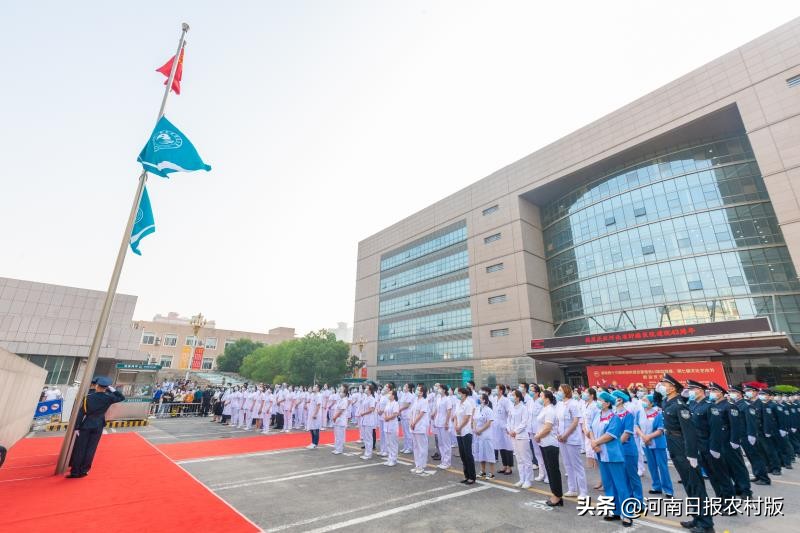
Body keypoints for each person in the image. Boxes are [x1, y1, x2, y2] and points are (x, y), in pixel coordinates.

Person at [657, 374, 713, 533]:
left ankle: (706, 524)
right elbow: (657, 399)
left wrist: (692, 454)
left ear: (673, 387)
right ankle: (697, 518)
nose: (661, 386)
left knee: (696, 486)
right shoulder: (667, 402)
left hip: (683, 446)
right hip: (673, 444)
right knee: (688, 485)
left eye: (664, 384)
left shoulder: (680, 405)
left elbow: (689, 432)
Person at [686, 380, 735, 502]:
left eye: (692, 389)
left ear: (700, 390)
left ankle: (729, 503)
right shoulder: (692, 405)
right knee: (712, 476)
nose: (690, 392)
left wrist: (714, 448)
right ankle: (720, 499)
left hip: (710, 446)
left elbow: (716, 429)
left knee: (721, 476)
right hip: (700, 446)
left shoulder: (710, 406)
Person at [66, 376, 125, 478]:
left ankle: (75, 472)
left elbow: (81, 413)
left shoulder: (88, 398)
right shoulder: (109, 398)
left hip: (87, 424)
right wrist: (113, 389)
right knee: (91, 449)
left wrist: (76, 427)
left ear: (97, 386)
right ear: (106, 387)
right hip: (99, 425)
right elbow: (122, 397)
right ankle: (84, 471)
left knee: (80, 448)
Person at [589, 391, 633, 527]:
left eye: (601, 400)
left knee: (620, 485)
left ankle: (627, 514)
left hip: (613, 455)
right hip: (601, 454)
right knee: (608, 484)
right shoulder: (597, 415)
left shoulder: (615, 418)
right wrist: (593, 442)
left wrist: (595, 443)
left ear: (608, 403)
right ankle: (614, 511)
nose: (598, 402)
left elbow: (610, 435)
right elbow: (590, 429)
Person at [636, 393, 673, 498]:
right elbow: (636, 426)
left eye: (645, 400)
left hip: (658, 444)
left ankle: (668, 489)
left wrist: (648, 437)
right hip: (645, 443)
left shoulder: (658, 413)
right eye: (642, 400)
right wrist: (643, 436)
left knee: (662, 467)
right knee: (652, 466)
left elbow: (660, 430)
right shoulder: (639, 413)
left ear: (652, 403)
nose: (643, 402)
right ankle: (656, 486)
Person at [612, 390, 643, 508]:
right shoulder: (613, 414)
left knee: (632, 477)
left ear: (620, 400)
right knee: (623, 477)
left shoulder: (628, 415)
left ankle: (639, 502)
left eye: (615, 398)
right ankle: (629, 500)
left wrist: (613, 445)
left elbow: (626, 435)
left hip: (627, 450)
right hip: (617, 450)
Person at [556, 384, 587, 498]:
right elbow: (558, 421)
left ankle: (583, 491)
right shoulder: (559, 404)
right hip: (561, 438)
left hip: (572, 438)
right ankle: (572, 489)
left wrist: (565, 435)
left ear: (566, 391)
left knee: (577, 465)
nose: (558, 392)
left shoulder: (573, 404)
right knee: (567, 464)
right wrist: (559, 434)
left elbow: (575, 422)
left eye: (560, 390)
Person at [534, 390, 563, 507]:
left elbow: (548, 428)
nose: (540, 398)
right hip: (544, 443)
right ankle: (555, 493)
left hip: (550, 443)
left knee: (553, 470)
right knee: (549, 470)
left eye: (541, 396)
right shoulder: (545, 409)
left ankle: (558, 496)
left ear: (547, 398)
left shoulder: (550, 410)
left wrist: (538, 436)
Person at [507, 389, 532, 488]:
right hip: (513, 436)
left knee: (526, 459)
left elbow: (524, 422)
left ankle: (528, 480)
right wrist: (509, 430)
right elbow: (508, 420)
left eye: (513, 395)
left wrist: (515, 431)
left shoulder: (523, 408)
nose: (511, 397)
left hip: (521, 436)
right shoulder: (512, 407)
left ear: (518, 397)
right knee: (519, 459)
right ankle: (522, 479)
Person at [453, 386, 476, 484]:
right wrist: (456, 426)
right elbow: (455, 416)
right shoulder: (458, 403)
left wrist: (460, 427)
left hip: (466, 431)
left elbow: (466, 418)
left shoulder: (468, 404)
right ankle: (466, 475)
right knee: (462, 454)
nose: (458, 395)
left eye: (459, 393)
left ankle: (472, 476)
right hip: (458, 432)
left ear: (464, 394)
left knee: (468, 454)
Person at [493, 384, 515, 476]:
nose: (495, 390)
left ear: (501, 391)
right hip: (497, 426)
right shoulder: (494, 399)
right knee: (501, 445)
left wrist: (508, 426)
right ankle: (504, 465)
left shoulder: (506, 401)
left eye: (496, 389)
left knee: (508, 447)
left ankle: (509, 467)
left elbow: (510, 413)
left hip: (505, 426)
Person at [410, 384, 430, 474]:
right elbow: (412, 413)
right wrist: (411, 422)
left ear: (422, 392)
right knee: (415, 446)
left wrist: (414, 422)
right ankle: (417, 464)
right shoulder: (415, 400)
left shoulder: (424, 401)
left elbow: (421, 414)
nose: (416, 391)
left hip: (420, 426)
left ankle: (422, 465)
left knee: (422, 447)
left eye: (418, 390)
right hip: (414, 426)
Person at [474, 393, 495, 479]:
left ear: (484, 400)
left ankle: (491, 473)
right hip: (478, 434)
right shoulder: (478, 408)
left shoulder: (488, 410)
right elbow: (474, 419)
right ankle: (483, 471)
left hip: (486, 434)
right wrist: (475, 429)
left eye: (480, 398)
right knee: (481, 453)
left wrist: (480, 430)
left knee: (489, 453)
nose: (479, 399)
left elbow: (488, 423)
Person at [432, 383, 452, 469]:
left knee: (446, 443)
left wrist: (447, 422)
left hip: (444, 423)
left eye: (440, 388)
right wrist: (433, 415)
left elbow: (449, 411)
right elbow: (437, 409)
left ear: (444, 390)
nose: (438, 389)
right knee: (440, 443)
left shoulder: (447, 399)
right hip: (438, 422)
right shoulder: (438, 398)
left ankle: (447, 462)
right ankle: (443, 461)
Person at [359, 385, 377, 460]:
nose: (365, 389)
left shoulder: (372, 399)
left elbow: (372, 409)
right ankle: (366, 453)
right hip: (364, 419)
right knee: (365, 437)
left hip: (369, 420)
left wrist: (363, 413)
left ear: (370, 390)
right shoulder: (365, 398)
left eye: (366, 388)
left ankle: (369, 454)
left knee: (369, 438)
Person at [383, 389, 400, 467]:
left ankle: (394, 459)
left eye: (390, 394)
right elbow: (385, 412)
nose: (388, 395)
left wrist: (388, 418)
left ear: (393, 396)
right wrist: (385, 417)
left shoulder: (395, 403)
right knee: (388, 443)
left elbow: (395, 414)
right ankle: (389, 458)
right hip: (386, 425)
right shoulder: (388, 403)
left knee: (393, 443)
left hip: (392, 425)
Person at [332, 386, 349, 454]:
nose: (340, 393)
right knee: (336, 435)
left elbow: (341, 411)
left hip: (341, 420)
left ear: (345, 393)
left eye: (341, 391)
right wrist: (335, 417)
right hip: (337, 420)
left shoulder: (345, 400)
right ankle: (336, 448)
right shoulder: (340, 400)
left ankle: (339, 449)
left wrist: (335, 417)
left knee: (340, 436)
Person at [306, 385, 323, 449]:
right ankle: (312, 442)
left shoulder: (318, 396)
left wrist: (315, 414)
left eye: (315, 386)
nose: (313, 387)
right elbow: (310, 401)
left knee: (316, 429)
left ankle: (315, 443)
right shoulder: (312, 395)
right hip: (311, 413)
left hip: (316, 414)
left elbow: (318, 405)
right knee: (312, 428)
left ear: (318, 388)